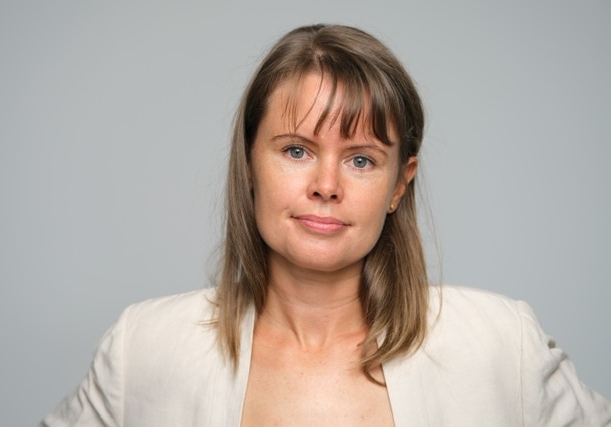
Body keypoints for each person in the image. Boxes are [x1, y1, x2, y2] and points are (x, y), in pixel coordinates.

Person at [40, 24, 611, 426]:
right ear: (248, 164)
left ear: (399, 184)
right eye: (295, 150)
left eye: (361, 159)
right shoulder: (143, 349)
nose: (327, 184)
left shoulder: (502, 344)